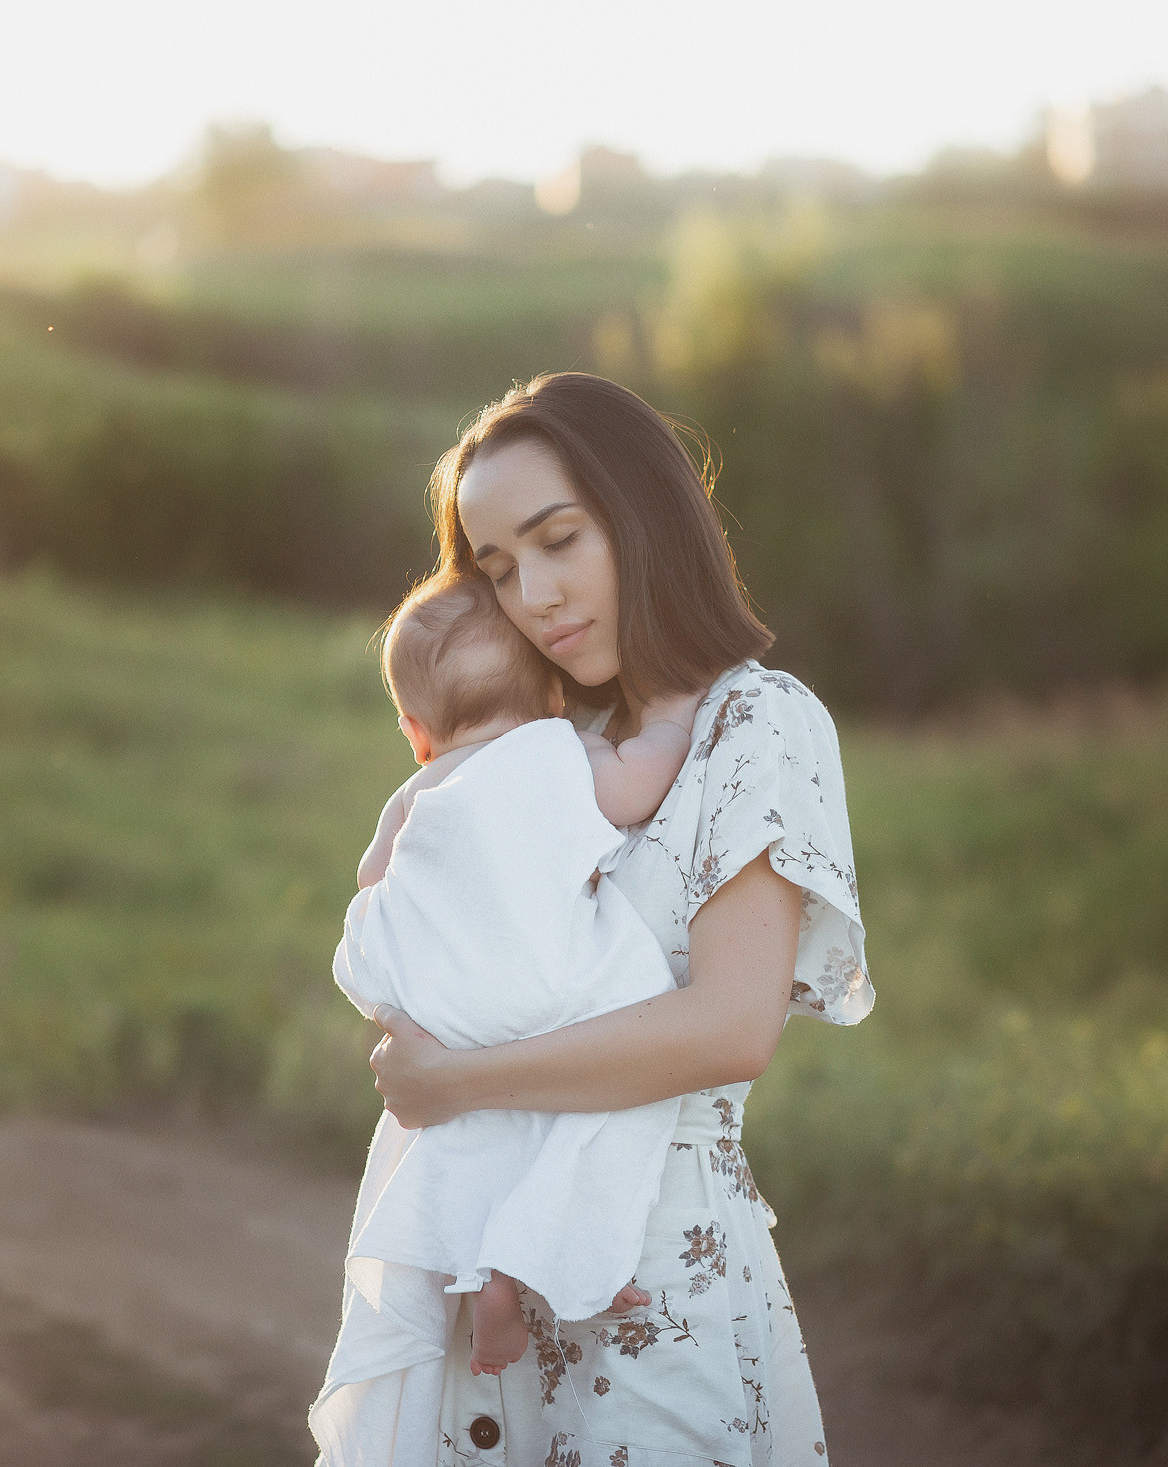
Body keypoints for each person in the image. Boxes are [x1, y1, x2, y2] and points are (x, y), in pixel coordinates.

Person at [366, 372, 873, 1467]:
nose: (533, 595)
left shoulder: (757, 722)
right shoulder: (550, 744)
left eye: (557, 541)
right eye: (497, 570)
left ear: (642, 517)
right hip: (492, 1261)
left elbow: (730, 1027)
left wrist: (450, 1082)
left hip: (658, 1277)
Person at [312, 572, 713, 1467]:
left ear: (416, 733)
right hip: (559, 990)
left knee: (481, 1129)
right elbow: (637, 786)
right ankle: (571, 1258)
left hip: (458, 1005)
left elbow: (378, 885)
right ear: (552, 695)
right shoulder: (557, 753)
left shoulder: (415, 794)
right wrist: (672, 724)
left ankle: (488, 1274)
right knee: (612, 1098)